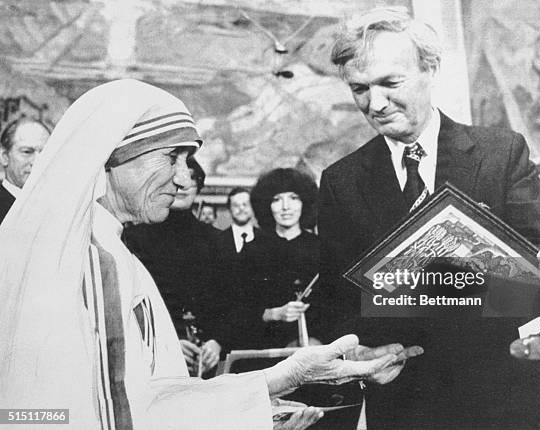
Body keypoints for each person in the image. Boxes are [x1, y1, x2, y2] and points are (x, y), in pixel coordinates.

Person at [0, 79, 412, 430]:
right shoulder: (94, 263)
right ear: (109, 158)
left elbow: (141, 401)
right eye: (171, 157)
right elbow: (115, 418)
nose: (183, 180)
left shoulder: (105, 252)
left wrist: (278, 382)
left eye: (188, 160)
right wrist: (268, 390)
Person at [318, 7, 540, 429]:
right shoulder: (340, 182)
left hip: (511, 399)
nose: (374, 104)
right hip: (410, 404)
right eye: (359, 89)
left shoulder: (501, 154)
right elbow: (334, 302)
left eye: (390, 83)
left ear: (429, 68)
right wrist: (361, 352)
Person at [123, 156, 223, 376]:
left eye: (192, 178)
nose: (184, 184)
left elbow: (229, 301)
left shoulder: (217, 240)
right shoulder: (134, 238)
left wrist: (216, 342)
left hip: (206, 358)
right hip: (154, 355)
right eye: (176, 178)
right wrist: (169, 342)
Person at [241, 168, 320, 349]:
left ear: (305, 202)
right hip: (266, 350)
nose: (285, 207)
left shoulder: (321, 249)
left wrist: (318, 341)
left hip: (316, 349)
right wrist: (274, 313)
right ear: (267, 205)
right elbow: (238, 310)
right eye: (277, 199)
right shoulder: (253, 251)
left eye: (293, 198)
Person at [0, 117, 50, 223]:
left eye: (45, 153)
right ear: (4, 157)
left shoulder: (59, 207)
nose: (38, 162)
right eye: (27, 152)